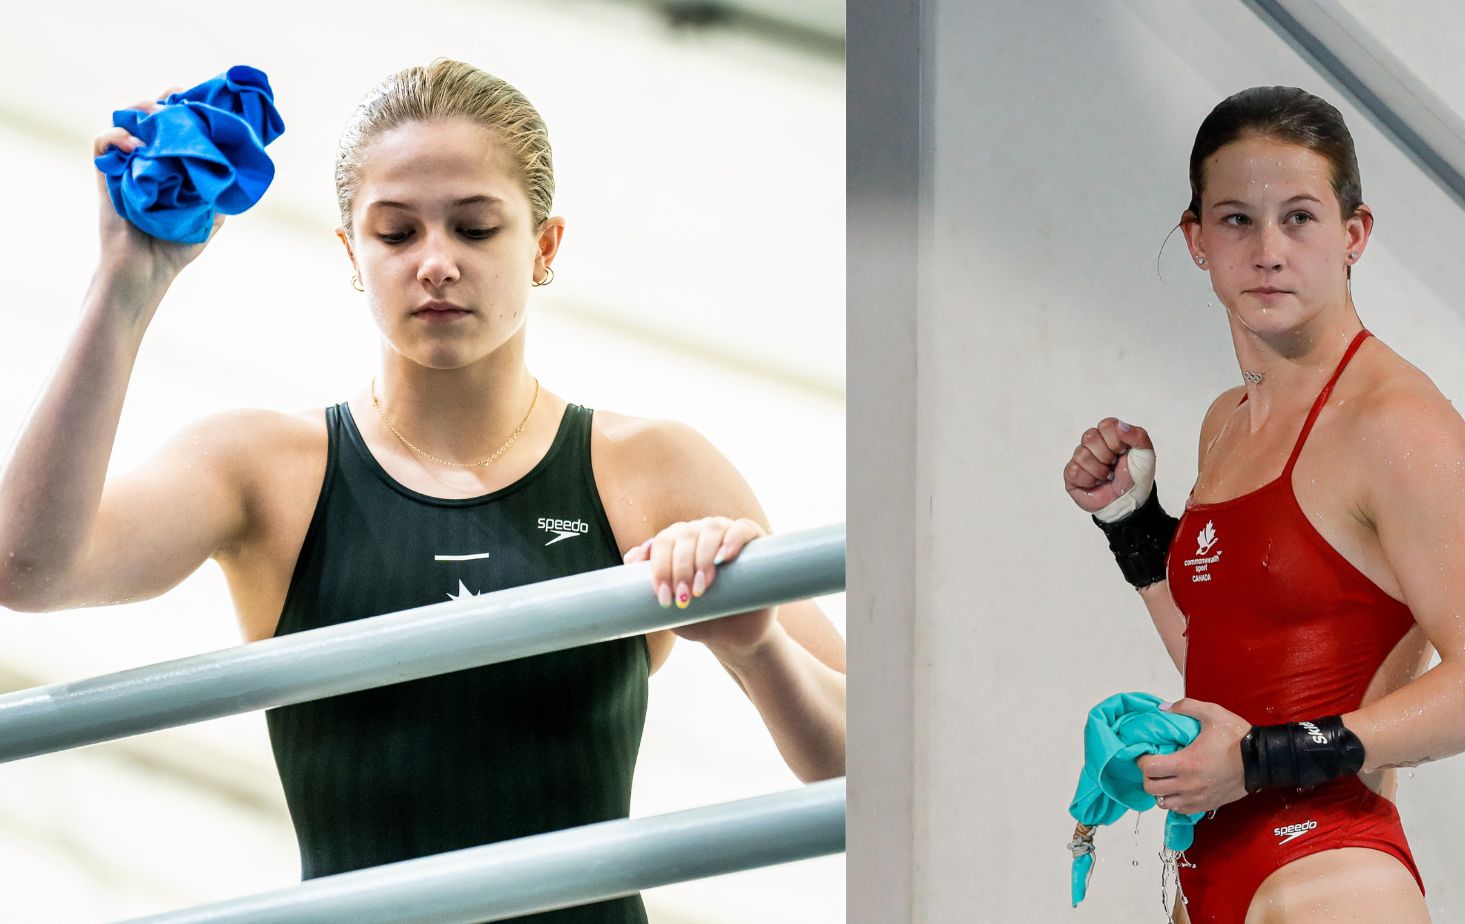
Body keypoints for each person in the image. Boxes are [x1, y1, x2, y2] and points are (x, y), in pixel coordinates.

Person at [0, 59, 845, 923]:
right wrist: (125, 285)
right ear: (351, 255)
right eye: (397, 234)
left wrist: (757, 646)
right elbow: (28, 571)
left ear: (545, 246)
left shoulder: (651, 465)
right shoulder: (264, 466)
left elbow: (873, 760)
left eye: (476, 229)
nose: (435, 263)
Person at [1062, 86, 1465, 923]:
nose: (1268, 250)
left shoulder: (1397, 422)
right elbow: (1233, 656)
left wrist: (1259, 757)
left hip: (1332, 875)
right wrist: (1134, 529)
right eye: (1237, 219)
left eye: (1301, 218)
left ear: (1355, 235)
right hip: (1210, 871)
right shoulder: (1225, 424)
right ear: (1196, 239)